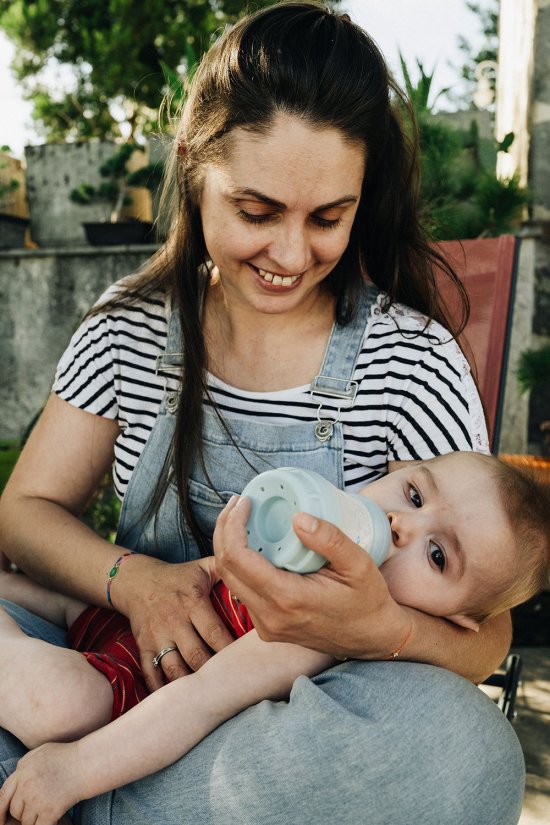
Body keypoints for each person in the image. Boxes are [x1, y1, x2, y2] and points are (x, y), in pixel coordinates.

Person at [0, 3, 527, 823]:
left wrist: (377, 625)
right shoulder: (129, 330)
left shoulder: (411, 361)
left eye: (327, 219)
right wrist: (132, 580)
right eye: (256, 211)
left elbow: (483, 633)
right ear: (194, 167)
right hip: (115, 682)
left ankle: (77, 795)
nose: (290, 255)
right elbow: (24, 514)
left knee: (467, 752)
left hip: (265, 750)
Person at [0, 450, 548, 825]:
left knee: (53, 706)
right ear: (397, 467)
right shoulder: (302, 535)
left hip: (134, 698)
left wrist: (69, 771)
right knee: (63, 603)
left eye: (437, 555)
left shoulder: (312, 631)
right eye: (412, 493)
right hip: (131, 621)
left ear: (456, 620)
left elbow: (194, 702)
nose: (400, 524)